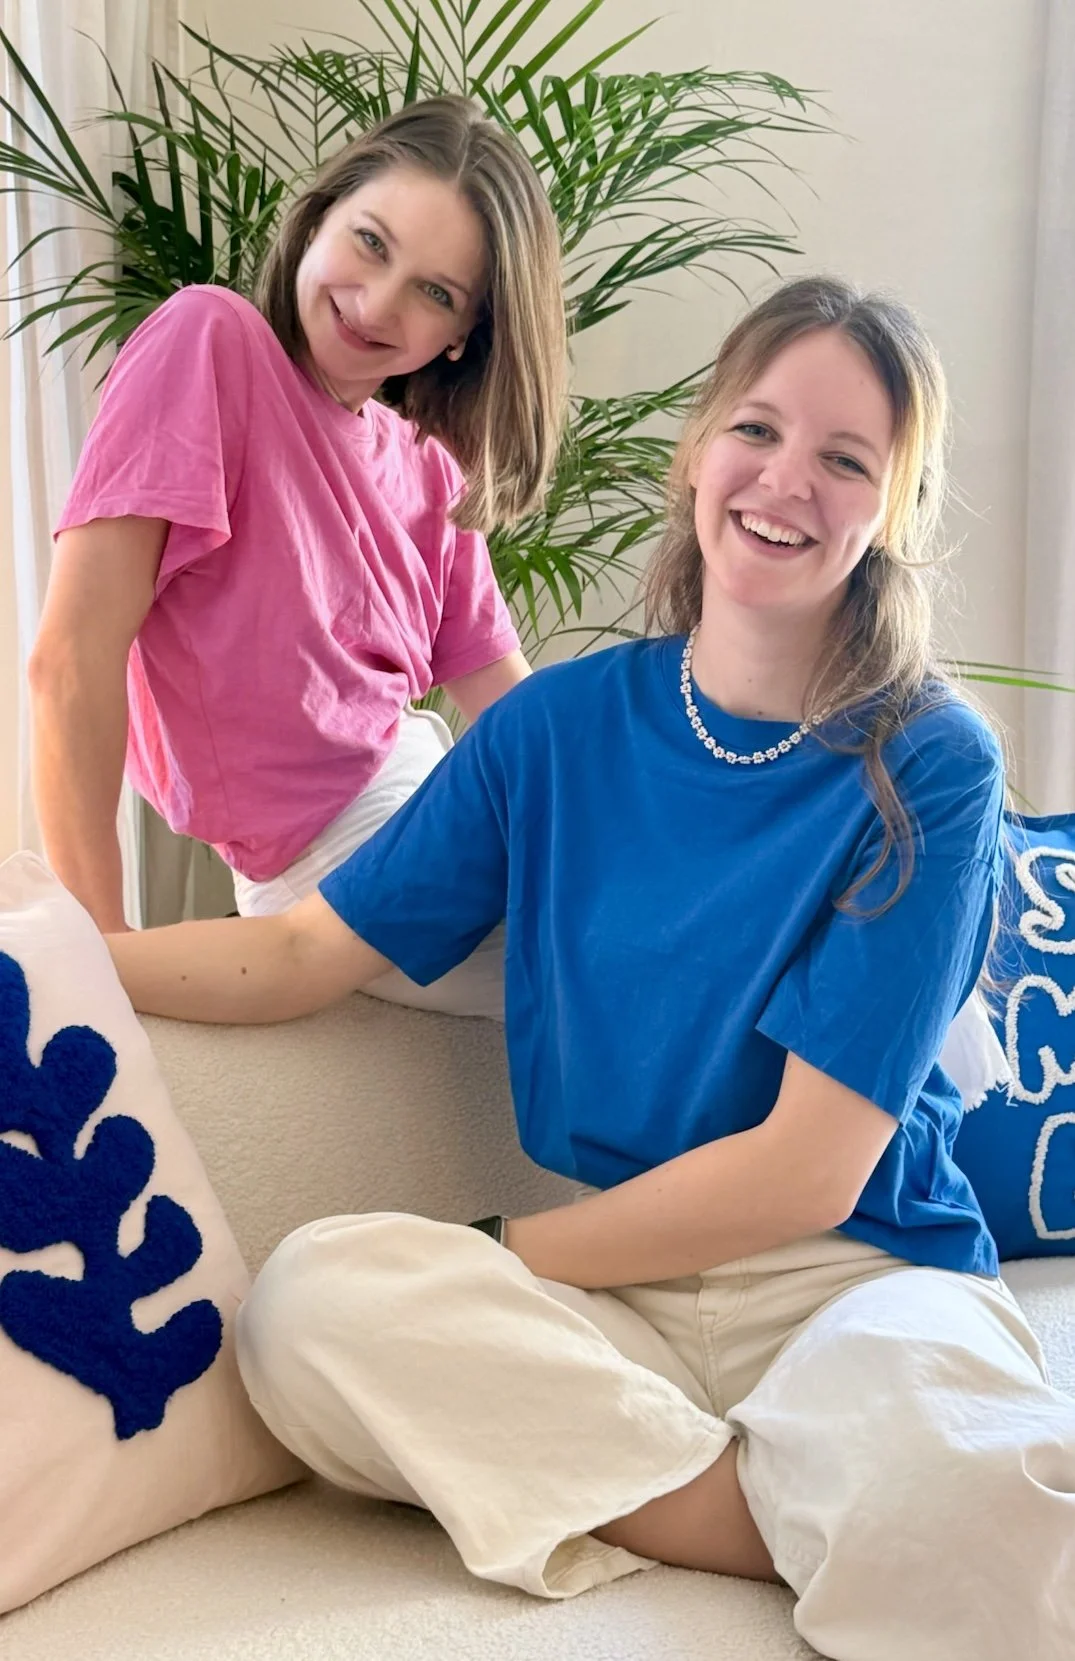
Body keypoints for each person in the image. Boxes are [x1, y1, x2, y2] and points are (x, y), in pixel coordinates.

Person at [105, 276, 1075, 1661]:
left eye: (845, 459)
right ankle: (806, 1510)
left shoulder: (926, 762)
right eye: (756, 429)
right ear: (697, 456)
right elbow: (301, 949)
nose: (784, 480)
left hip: (853, 1277)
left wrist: (501, 1255)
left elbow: (806, 1170)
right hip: (623, 1296)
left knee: (971, 1513)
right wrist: (79, 959)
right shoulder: (553, 730)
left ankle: (801, 1492)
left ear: (888, 518)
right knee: (309, 1309)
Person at [30, 95, 567, 1015]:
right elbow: (71, 660)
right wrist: (96, 943)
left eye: (435, 292)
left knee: (705, 919)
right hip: (328, 860)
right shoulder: (211, 339)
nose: (378, 303)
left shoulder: (430, 474)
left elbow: (528, 727)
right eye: (370, 242)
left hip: (430, 803)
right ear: (319, 216)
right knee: (676, 960)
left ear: (461, 337)